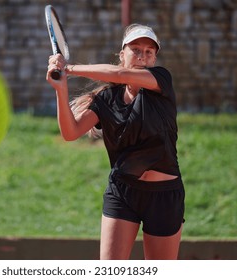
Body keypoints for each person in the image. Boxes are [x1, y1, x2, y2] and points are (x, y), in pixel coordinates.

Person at [46, 24, 185, 260]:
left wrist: (69, 68)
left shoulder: (162, 80)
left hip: (164, 195)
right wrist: (61, 88)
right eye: (135, 49)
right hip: (122, 192)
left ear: (154, 58)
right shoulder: (106, 99)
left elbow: (121, 75)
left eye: (149, 51)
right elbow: (70, 133)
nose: (142, 55)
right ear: (122, 54)